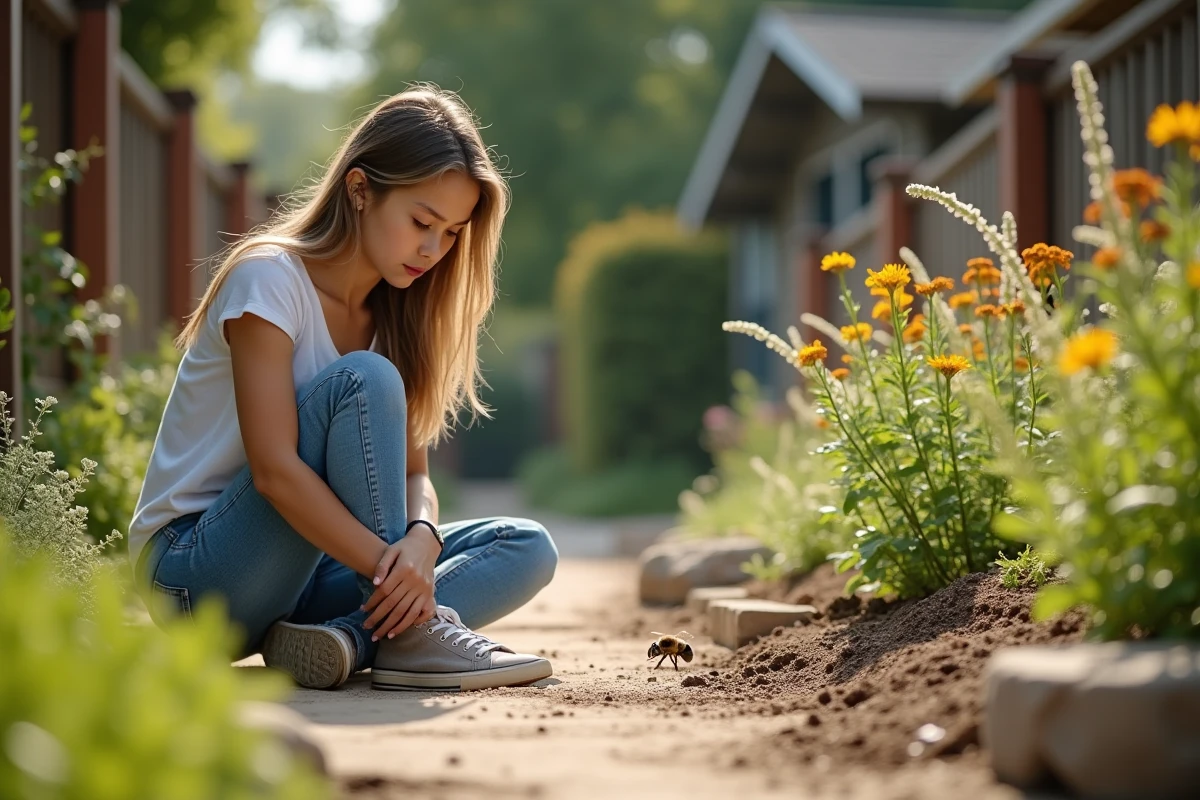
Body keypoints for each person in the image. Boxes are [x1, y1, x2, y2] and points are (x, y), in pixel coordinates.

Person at [128, 87, 558, 692]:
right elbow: (275, 470)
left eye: (453, 233)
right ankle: (406, 634)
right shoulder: (269, 280)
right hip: (194, 573)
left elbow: (416, 477)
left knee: (526, 545)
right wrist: (394, 570)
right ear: (360, 190)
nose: (434, 250)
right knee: (365, 378)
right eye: (422, 222)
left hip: (302, 577)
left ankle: (346, 640)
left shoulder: (397, 316)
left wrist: (422, 540)